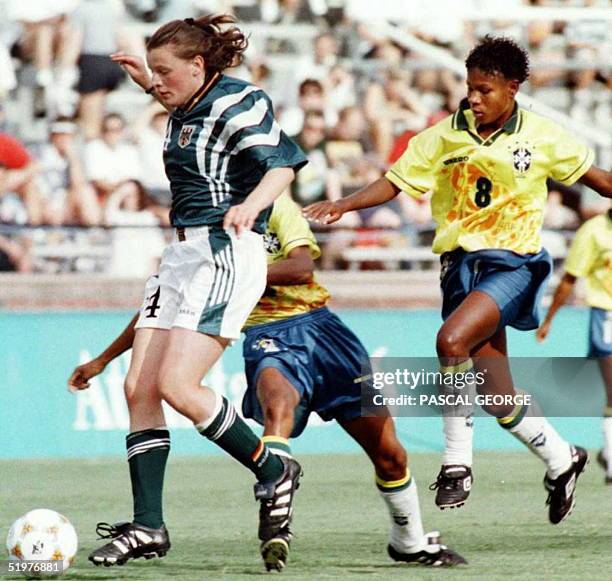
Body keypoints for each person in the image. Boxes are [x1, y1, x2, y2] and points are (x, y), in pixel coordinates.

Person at [303, 36, 612, 524]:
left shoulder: (544, 135)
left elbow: (599, 181)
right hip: (460, 269)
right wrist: (344, 204)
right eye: (469, 88)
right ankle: (561, 457)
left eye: (485, 90)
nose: (473, 98)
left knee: (450, 340)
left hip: (513, 264)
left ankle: (456, 464)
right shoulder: (442, 135)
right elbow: (395, 181)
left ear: (513, 88)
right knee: (495, 395)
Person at [69, 194, 467, 570]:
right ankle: (276, 506)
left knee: (389, 454)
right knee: (279, 410)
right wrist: (105, 359)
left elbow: (301, 267)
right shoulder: (198, 235)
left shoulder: (275, 207)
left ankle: (409, 541)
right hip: (266, 336)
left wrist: (237, 275)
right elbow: (159, 308)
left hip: (322, 330)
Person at [75, 14, 307, 570]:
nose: (157, 81)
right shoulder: (185, 105)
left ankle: (275, 472)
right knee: (139, 387)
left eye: (165, 71)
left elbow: (284, 165)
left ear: (198, 65)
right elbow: (187, 110)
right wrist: (147, 80)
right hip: (181, 254)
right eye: (152, 72)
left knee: (179, 385)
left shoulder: (239, 100)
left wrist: (253, 205)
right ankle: (149, 526)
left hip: (225, 249)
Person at [537, 207, 612, 484]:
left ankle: (607, 450)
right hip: (606, 315)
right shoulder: (593, 231)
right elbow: (570, 278)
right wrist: (549, 318)